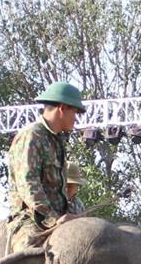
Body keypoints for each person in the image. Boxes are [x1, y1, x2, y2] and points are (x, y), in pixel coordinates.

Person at [7, 81, 85, 250]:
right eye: (75, 112)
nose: (76, 118)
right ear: (63, 108)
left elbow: (59, 189)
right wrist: (53, 219)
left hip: (59, 218)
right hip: (30, 220)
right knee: (29, 258)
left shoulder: (57, 140)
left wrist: (69, 215)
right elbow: (28, 184)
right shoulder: (32, 136)